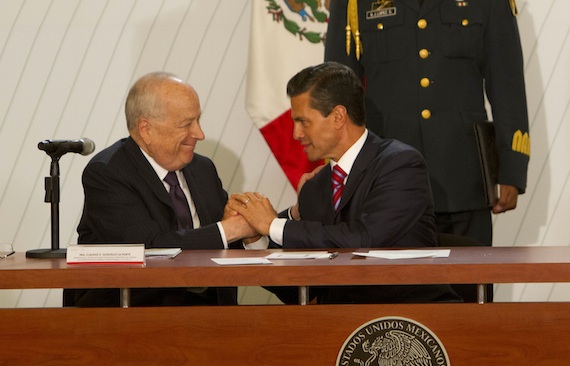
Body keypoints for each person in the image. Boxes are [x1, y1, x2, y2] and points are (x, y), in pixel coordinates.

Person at [229, 61, 460, 304]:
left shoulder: (400, 165)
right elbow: (297, 289)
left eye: (303, 121)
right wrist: (256, 238)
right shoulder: (315, 187)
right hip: (342, 328)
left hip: (412, 321)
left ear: (338, 116)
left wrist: (272, 224)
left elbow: (363, 241)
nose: (296, 134)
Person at [324, 0, 530, 247]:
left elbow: (507, 86)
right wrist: (342, 170)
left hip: (463, 178)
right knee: (392, 284)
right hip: (384, 180)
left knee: (468, 282)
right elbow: (338, 94)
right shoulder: (352, 3)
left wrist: (511, 170)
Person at [64, 72, 257, 307]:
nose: (200, 133)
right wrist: (230, 229)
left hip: (211, 316)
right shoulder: (108, 173)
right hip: (130, 319)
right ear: (146, 129)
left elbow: (222, 240)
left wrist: (249, 232)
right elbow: (148, 248)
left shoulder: (203, 169)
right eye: (187, 124)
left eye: (198, 120)